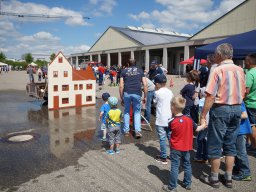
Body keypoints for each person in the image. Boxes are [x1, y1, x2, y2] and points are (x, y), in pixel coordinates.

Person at [199, 43, 246, 188]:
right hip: (237, 108)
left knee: (215, 144)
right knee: (230, 144)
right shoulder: (240, 70)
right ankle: (229, 177)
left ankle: (214, 178)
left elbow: (210, 96)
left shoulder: (218, 70)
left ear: (219, 55)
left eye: (215, 54)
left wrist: (203, 115)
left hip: (221, 108)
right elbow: (244, 92)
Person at [162, 96, 205, 192]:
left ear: (173, 107)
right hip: (186, 147)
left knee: (175, 166)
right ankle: (188, 183)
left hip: (175, 147)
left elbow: (167, 133)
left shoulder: (171, 121)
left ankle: (172, 186)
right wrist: (203, 125)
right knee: (187, 164)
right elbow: (197, 129)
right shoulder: (189, 119)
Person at [119, 58, 147, 138]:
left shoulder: (123, 71)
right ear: (135, 63)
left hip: (127, 93)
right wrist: (145, 96)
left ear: (128, 64)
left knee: (127, 112)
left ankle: (126, 131)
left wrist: (121, 97)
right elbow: (145, 84)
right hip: (137, 93)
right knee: (137, 112)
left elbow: (121, 86)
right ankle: (138, 131)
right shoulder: (140, 71)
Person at [153, 74, 173, 165]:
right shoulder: (170, 92)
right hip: (170, 118)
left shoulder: (157, 93)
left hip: (161, 118)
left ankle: (163, 157)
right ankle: (172, 155)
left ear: (157, 84)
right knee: (170, 137)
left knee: (162, 138)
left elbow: (154, 103)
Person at [232, 102, 252, 181]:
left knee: (241, 152)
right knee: (236, 151)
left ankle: (246, 173)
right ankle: (238, 168)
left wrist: (230, 116)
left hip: (241, 131)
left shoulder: (237, 101)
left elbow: (245, 115)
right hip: (236, 130)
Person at [244, 53, 256, 151]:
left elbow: (246, 91)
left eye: (246, 60)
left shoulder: (250, 73)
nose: (244, 62)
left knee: (252, 125)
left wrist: (241, 100)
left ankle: (254, 146)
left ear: (250, 62)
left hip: (251, 104)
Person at [194, 87, 209, 163]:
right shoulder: (210, 101)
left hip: (203, 123)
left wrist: (200, 123)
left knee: (199, 140)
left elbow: (200, 113)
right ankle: (205, 156)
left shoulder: (202, 101)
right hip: (209, 123)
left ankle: (199, 156)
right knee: (205, 140)